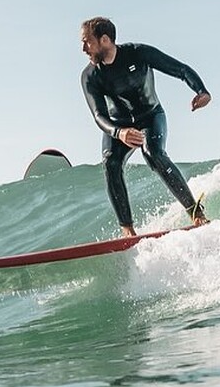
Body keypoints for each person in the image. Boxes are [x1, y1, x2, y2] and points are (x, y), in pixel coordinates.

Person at [80, 16, 212, 237]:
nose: (84, 48)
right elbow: (98, 115)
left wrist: (202, 91)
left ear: (104, 40)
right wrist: (118, 132)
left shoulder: (138, 53)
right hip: (119, 124)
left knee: (153, 153)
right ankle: (127, 229)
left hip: (150, 116)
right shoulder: (90, 76)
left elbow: (180, 69)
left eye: (87, 42)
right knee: (111, 162)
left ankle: (195, 211)